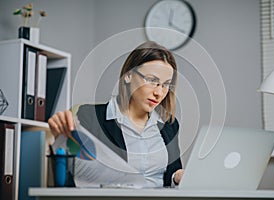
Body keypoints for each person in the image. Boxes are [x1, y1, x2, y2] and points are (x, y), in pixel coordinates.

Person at [48, 41, 184, 188]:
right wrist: (60, 136)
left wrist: (176, 177)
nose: (159, 92)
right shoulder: (89, 117)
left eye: (166, 85)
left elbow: (170, 173)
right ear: (128, 76)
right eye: (152, 80)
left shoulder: (169, 124)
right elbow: (75, 171)